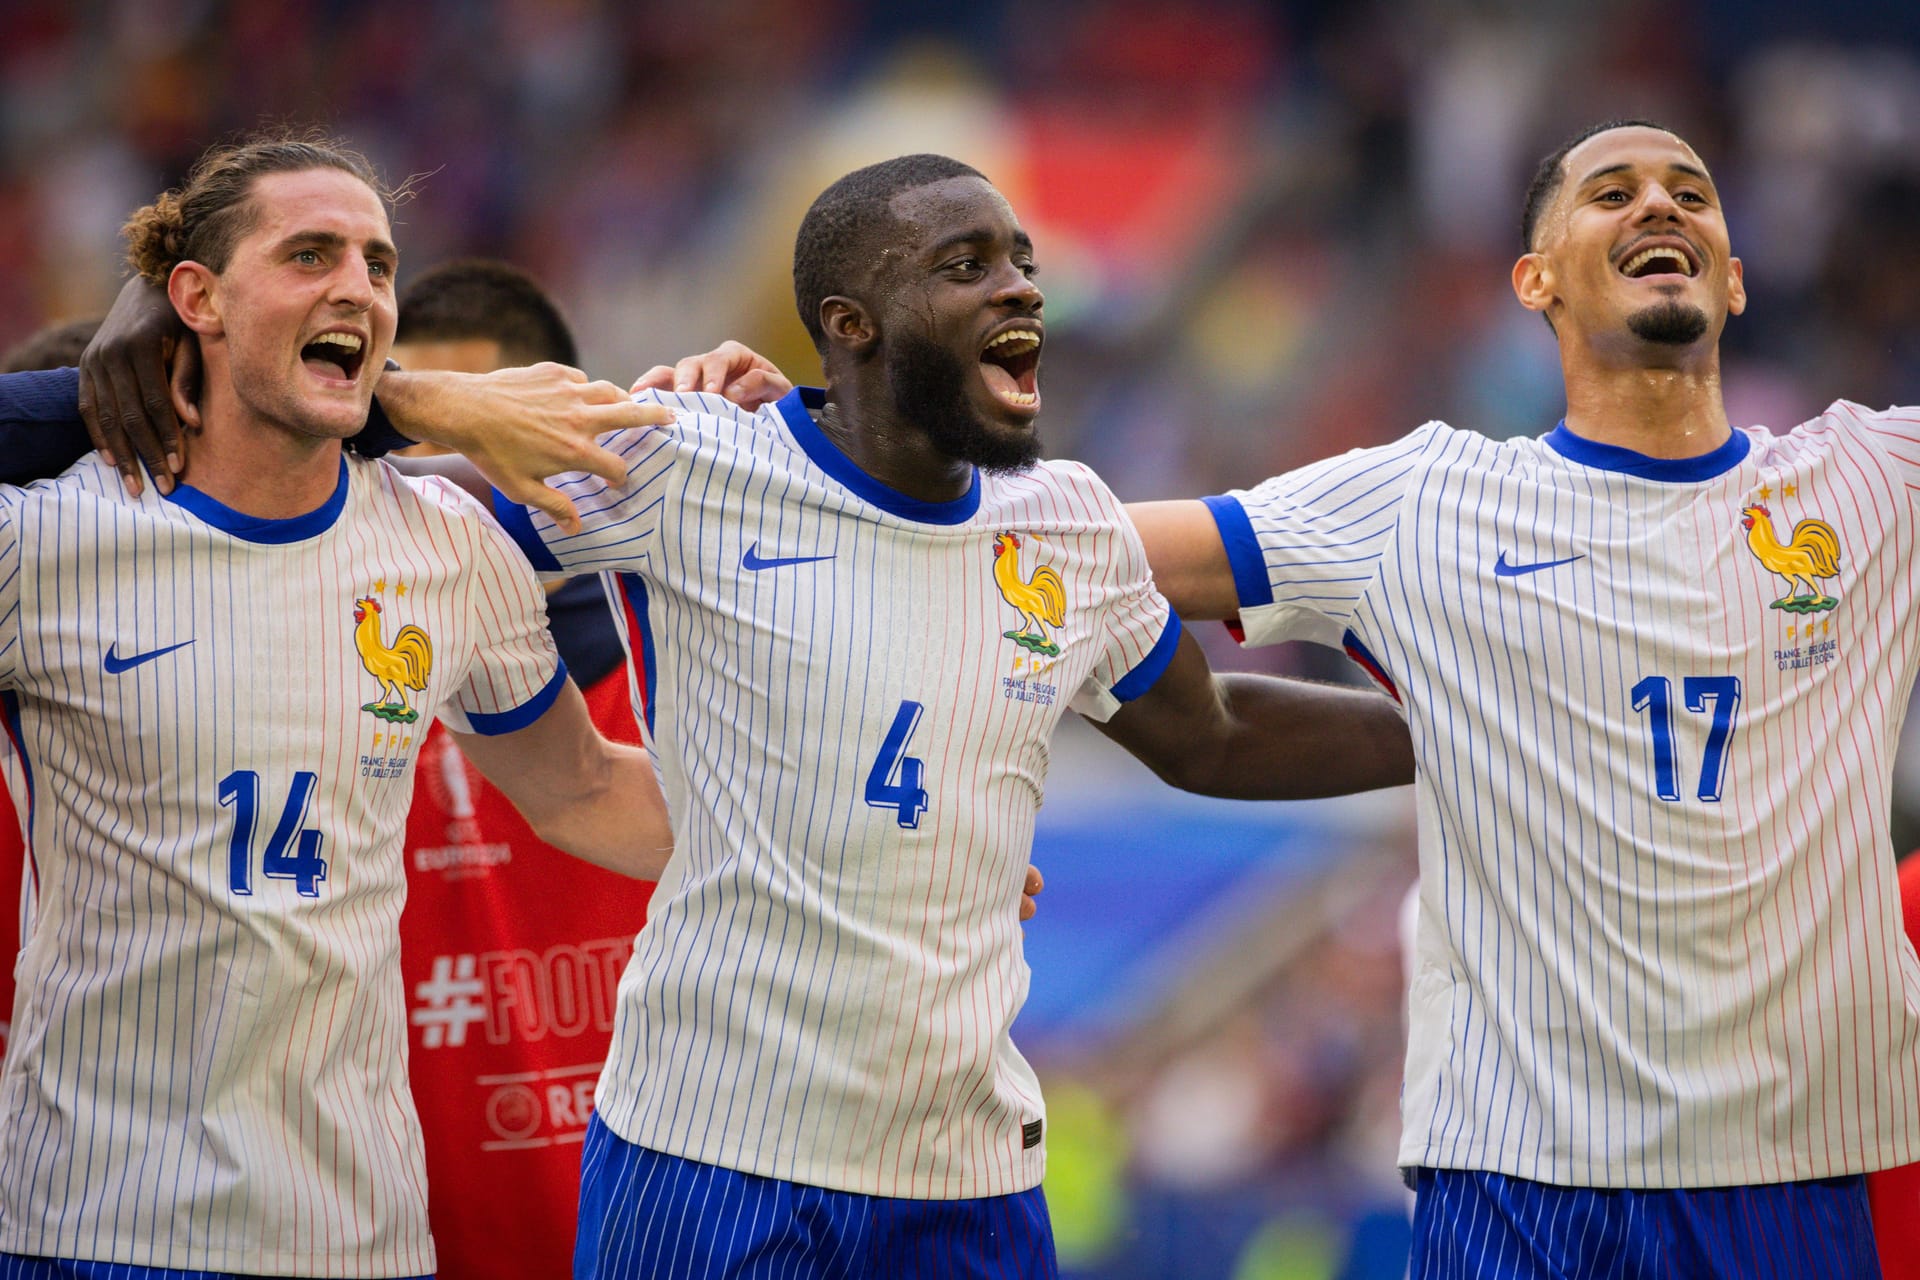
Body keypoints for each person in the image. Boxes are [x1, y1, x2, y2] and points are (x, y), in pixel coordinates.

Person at [480, 154, 1415, 1278]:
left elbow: (1210, 731)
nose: (1019, 286)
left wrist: (1460, 729)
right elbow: (423, 538)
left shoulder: (1066, 523)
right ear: (851, 322)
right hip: (710, 1153)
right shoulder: (687, 459)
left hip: (968, 1181)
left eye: (1021, 261)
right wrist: (417, 396)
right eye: (965, 264)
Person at [1112, 120, 1920, 1276]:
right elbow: (1091, 547)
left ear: (1735, 279)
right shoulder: (1426, 500)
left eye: (1692, 192)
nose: (1660, 205)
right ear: (1533, 282)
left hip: (1793, 1185)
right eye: (1613, 192)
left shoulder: (1877, 483)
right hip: (1521, 1189)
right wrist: (822, 465)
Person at [0, 131, 676, 1279]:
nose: (356, 285)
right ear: (194, 300)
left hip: (360, 1234)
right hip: (95, 1225)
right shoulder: (47, 543)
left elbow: (586, 786)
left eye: (377, 262)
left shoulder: (445, 549)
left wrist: (853, 854)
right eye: (309, 253)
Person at [385, 258, 655, 1280]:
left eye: (470, 441)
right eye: (398, 444)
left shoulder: (682, 671)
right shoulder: (316, 677)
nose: (430, 488)